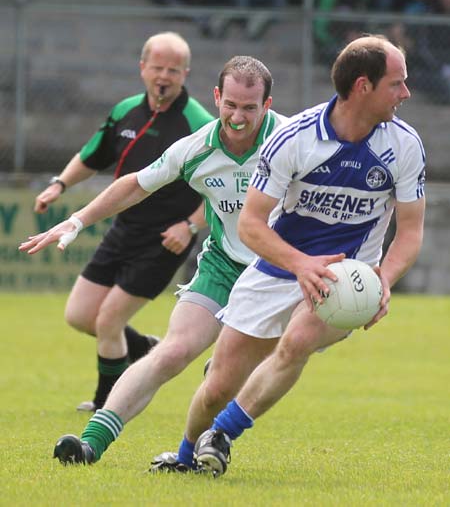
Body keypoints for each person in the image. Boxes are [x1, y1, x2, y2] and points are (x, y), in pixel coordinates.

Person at [147, 34, 426, 476]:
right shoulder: (295, 139)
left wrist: (383, 279)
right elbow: (253, 224)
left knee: (296, 342)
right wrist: (300, 264)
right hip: (279, 267)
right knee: (218, 385)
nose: (406, 94)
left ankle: (221, 434)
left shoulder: (405, 146)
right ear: (362, 87)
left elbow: (410, 232)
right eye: (397, 84)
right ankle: (185, 458)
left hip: (345, 277)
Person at [19, 56, 286, 467]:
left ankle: (203, 446)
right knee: (171, 352)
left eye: (249, 108)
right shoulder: (196, 148)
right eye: (230, 104)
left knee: (227, 380)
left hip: (279, 273)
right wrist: (76, 220)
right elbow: (134, 185)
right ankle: (90, 445)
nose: (237, 117)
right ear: (217, 97)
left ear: (267, 105)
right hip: (224, 266)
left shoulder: (291, 141)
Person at [28, 31, 213, 412]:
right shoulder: (125, 110)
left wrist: (191, 226)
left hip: (166, 239)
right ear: (142, 68)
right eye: (158, 67)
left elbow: (222, 187)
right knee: (79, 315)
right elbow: (91, 156)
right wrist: (59, 185)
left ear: (185, 73)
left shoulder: (200, 124)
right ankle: (143, 347)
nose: (164, 76)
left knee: (109, 319)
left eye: (174, 70)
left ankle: (105, 404)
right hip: (123, 228)